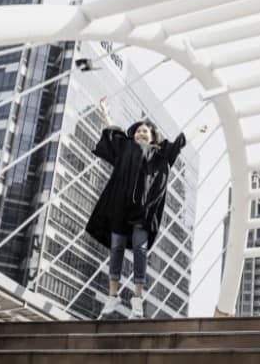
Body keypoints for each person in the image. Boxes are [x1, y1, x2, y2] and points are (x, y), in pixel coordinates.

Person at [86, 97, 207, 318]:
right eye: (138, 131)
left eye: (145, 132)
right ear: (133, 134)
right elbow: (112, 133)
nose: (141, 133)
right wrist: (105, 112)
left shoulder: (160, 154)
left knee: (140, 248)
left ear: (152, 137)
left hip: (143, 211)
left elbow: (179, 142)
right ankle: (112, 295)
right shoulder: (125, 146)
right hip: (120, 207)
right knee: (116, 247)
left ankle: (137, 297)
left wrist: (197, 131)